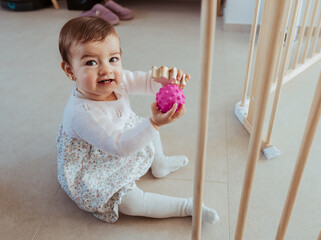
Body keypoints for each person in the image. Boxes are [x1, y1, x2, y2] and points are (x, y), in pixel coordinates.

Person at [56, 16, 219, 224]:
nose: (106, 70)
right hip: (97, 160)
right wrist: (155, 124)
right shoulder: (82, 114)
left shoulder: (115, 80)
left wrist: (165, 82)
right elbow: (119, 146)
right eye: (91, 62)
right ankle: (187, 206)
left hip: (120, 137)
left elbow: (145, 82)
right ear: (70, 70)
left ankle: (159, 163)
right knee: (129, 203)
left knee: (141, 125)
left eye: (113, 59)